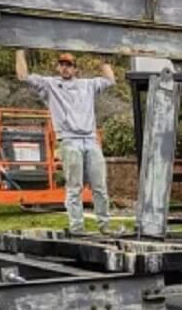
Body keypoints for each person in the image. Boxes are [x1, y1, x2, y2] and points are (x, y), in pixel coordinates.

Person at [15, 49, 116, 235]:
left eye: (68, 65)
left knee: (99, 186)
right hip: (69, 140)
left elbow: (110, 80)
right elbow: (23, 76)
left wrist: (104, 62)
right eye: (62, 64)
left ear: (75, 69)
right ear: (57, 67)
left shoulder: (87, 84)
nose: (65, 68)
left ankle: (105, 225)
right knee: (74, 186)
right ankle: (77, 227)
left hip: (90, 139)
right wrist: (19, 51)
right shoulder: (50, 85)